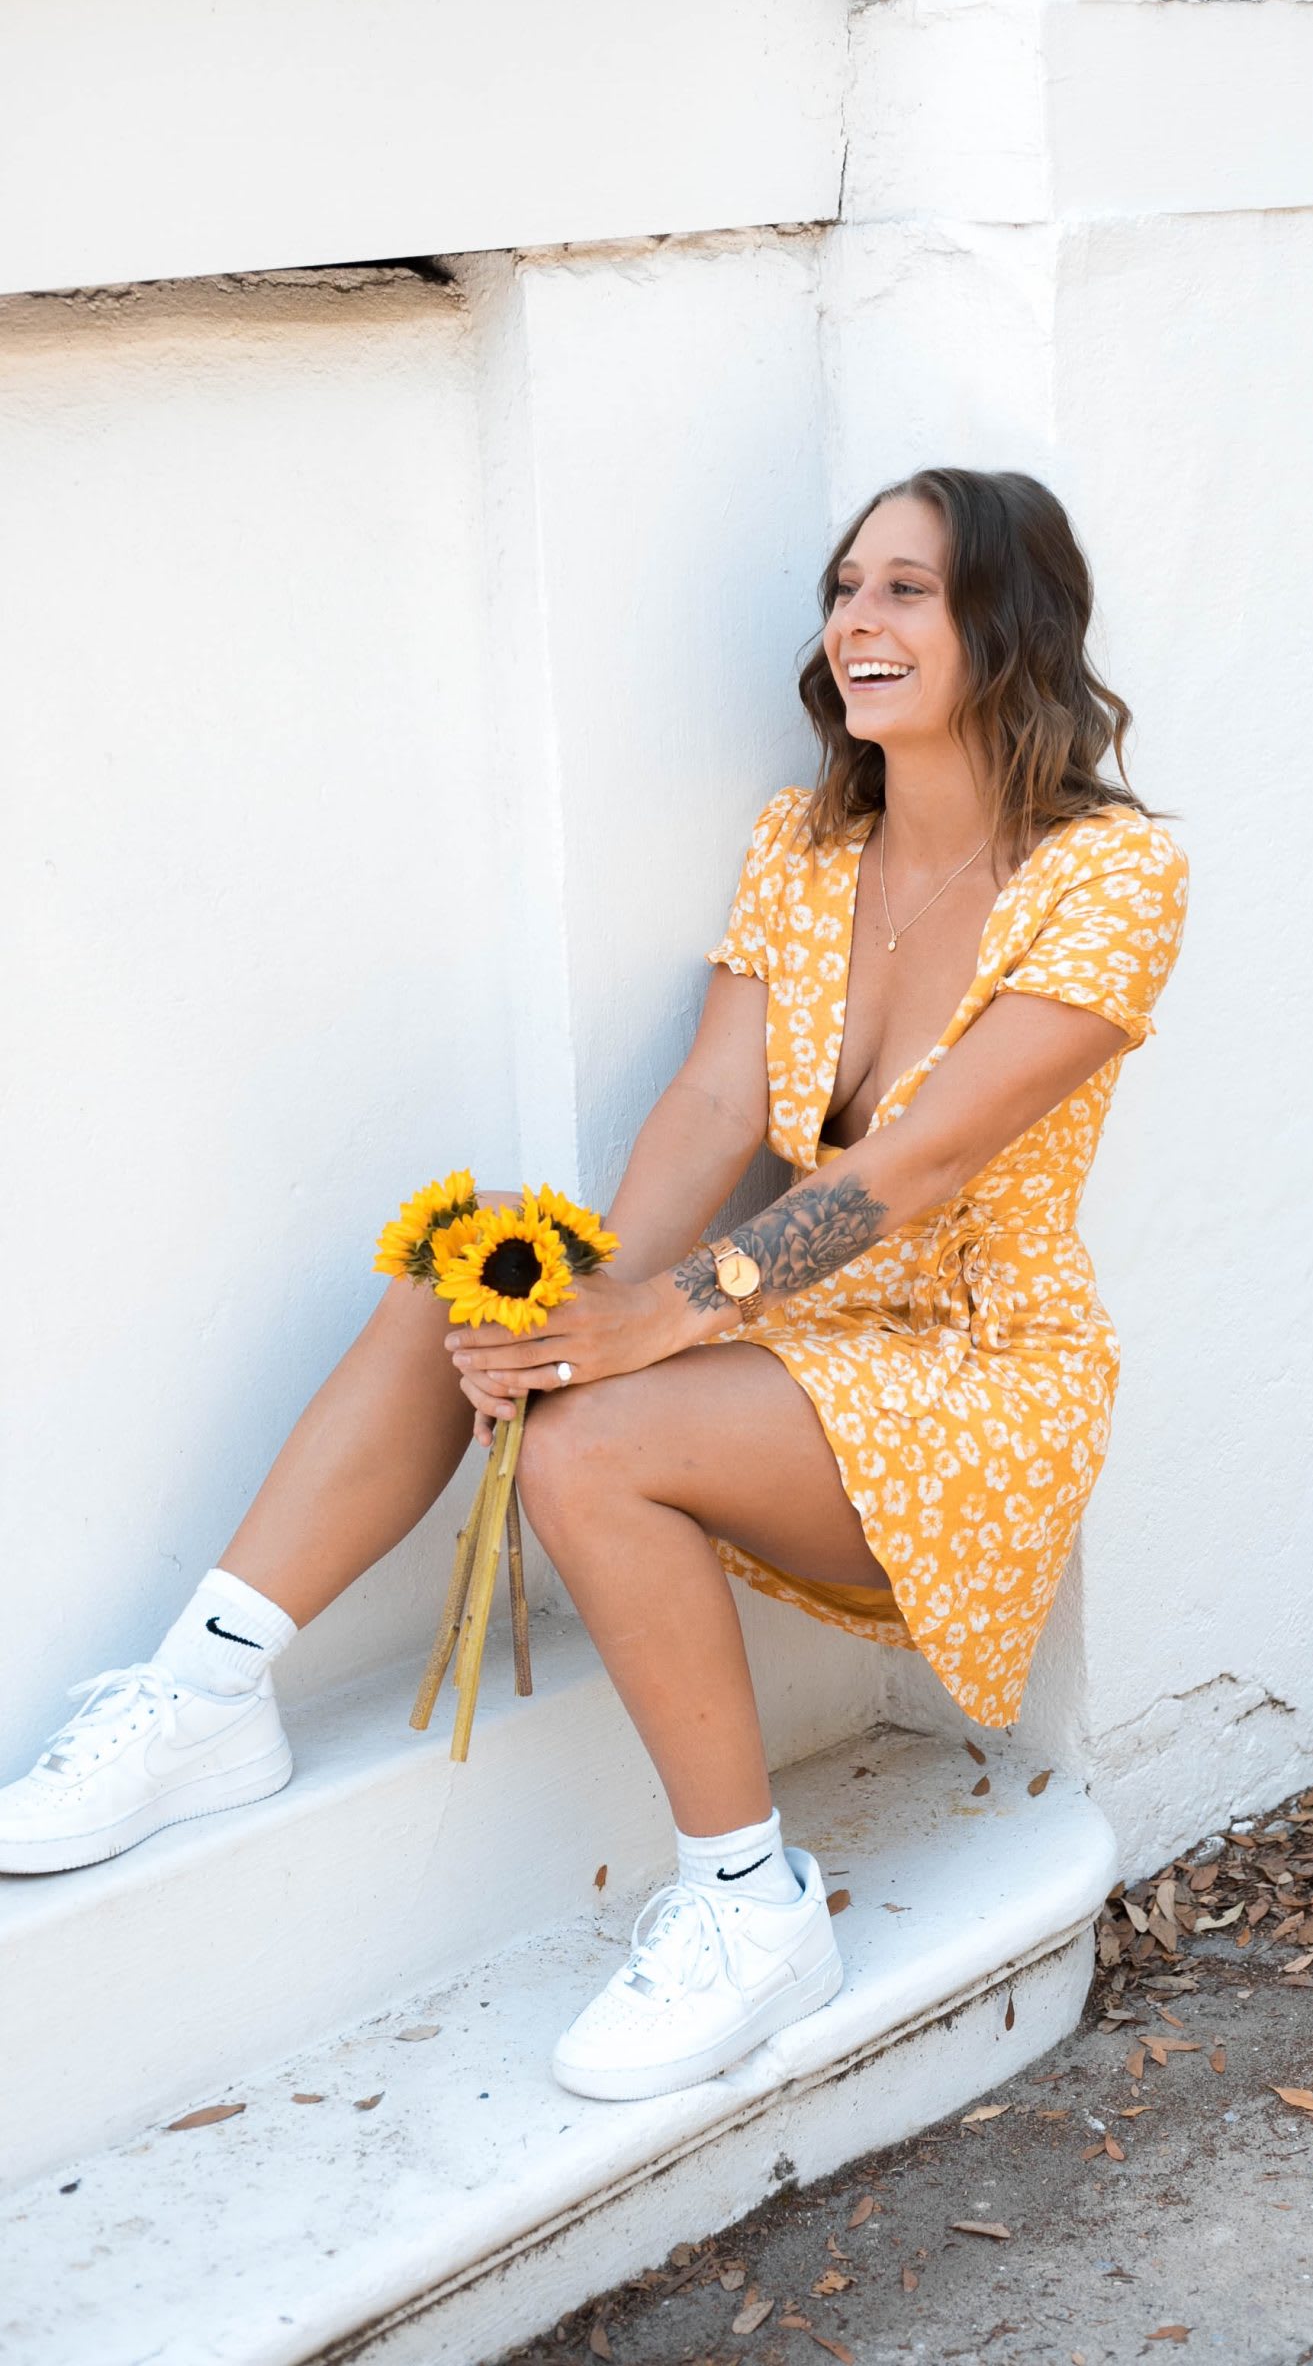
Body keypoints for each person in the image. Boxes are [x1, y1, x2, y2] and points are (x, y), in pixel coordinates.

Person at [0, 467, 1189, 2103]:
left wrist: (651, 1324)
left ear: (1013, 618)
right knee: (472, 1253)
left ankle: (749, 1908)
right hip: (784, 1322)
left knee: (582, 1448)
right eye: (845, 588)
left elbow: (917, 1168)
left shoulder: (1110, 877)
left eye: (907, 588)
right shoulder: (806, 842)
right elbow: (712, 1104)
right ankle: (208, 1691)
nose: (857, 620)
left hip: (973, 1371)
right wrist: (574, 1311)